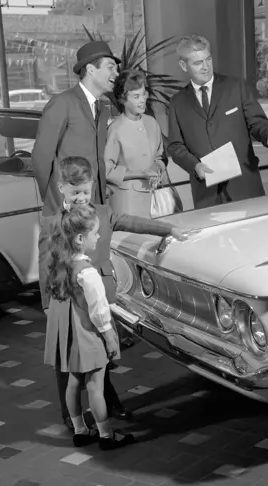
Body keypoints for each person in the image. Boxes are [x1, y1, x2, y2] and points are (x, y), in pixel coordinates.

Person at [39, 156, 195, 431]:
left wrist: (168, 228)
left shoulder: (102, 212)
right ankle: (71, 415)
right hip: (68, 304)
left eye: (86, 192)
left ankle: (108, 403)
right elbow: (45, 266)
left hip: (99, 296)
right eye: (76, 193)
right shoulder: (52, 222)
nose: (82, 198)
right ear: (62, 188)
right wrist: (48, 306)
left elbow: (132, 222)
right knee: (68, 362)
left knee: (101, 356)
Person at [43, 203, 133, 450]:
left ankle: (80, 430)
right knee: (96, 386)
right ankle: (106, 436)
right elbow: (99, 310)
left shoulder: (64, 265)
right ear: (81, 238)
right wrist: (111, 337)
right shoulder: (88, 272)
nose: (99, 236)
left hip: (73, 334)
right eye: (96, 233)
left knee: (73, 383)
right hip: (90, 336)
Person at [167, 34, 268, 210]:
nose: (205, 67)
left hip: (245, 187)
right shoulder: (178, 103)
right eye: (198, 63)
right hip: (206, 195)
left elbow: (257, 122)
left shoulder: (235, 87)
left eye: (208, 59)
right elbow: (175, 146)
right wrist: (195, 166)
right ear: (183, 66)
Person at [32, 40, 120, 216]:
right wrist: (53, 197)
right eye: (110, 67)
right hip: (67, 207)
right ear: (90, 69)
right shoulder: (62, 103)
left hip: (96, 204)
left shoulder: (103, 108)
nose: (116, 73)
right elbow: (41, 157)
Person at [105, 69, 167, 310]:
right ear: (122, 99)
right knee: (128, 261)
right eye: (135, 96)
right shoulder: (115, 129)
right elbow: (107, 170)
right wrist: (139, 173)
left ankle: (152, 310)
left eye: (144, 94)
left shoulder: (152, 123)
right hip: (126, 201)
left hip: (151, 199)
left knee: (151, 256)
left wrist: (156, 168)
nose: (142, 100)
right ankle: (126, 314)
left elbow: (161, 156)